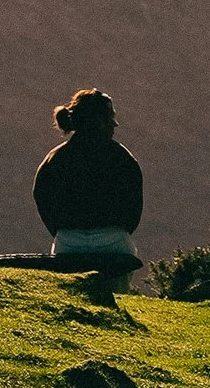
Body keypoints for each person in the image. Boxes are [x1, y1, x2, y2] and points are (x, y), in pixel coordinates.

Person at [33, 88, 143, 266]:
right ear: (98, 121)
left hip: (68, 243)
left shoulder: (55, 158)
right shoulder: (121, 157)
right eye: (110, 117)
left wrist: (62, 231)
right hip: (113, 242)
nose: (115, 124)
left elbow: (42, 198)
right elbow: (134, 204)